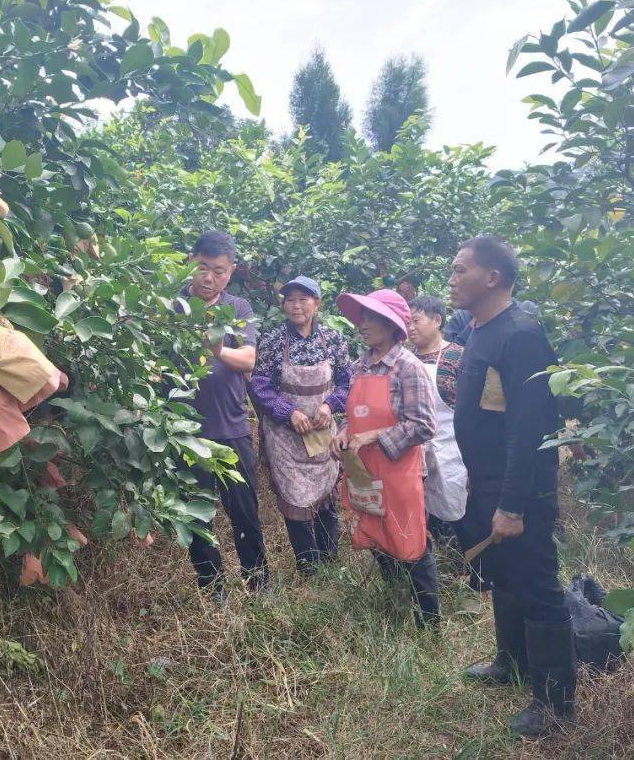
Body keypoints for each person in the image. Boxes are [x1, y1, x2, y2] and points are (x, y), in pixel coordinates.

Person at [449, 235, 574, 737]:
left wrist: (513, 505)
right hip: (487, 480)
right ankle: (511, 662)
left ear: (492, 278)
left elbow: (529, 428)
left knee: (538, 584)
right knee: (504, 573)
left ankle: (554, 703)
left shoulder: (520, 334)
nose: (452, 279)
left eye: (461, 271)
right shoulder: (481, 328)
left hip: (519, 487)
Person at [331, 289, 440, 629]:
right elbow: (355, 413)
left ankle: (428, 623)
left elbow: (424, 425)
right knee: (378, 535)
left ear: (392, 325)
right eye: (361, 317)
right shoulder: (358, 366)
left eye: (371, 318)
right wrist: (344, 430)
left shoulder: (408, 368)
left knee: (412, 543)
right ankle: (395, 603)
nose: (362, 324)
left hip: (400, 472)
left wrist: (375, 436)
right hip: (365, 470)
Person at [178, 230, 268, 595]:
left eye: (218, 270)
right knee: (198, 517)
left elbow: (248, 358)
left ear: (230, 272)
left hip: (231, 427)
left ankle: (257, 583)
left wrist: (216, 350)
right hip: (183, 431)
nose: (209, 277)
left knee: (244, 511)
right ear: (190, 262)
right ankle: (212, 589)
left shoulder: (238, 309)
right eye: (203, 267)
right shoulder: (171, 307)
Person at [250, 276, 351, 576]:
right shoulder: (271, 341)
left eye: (303, 299)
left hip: (321, 433)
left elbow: (347, 382)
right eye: (290, 299)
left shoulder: (333, 339)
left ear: (316, 304)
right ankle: (309, 567)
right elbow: (259, 385)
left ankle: (330, 560)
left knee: (326, 494)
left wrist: (328, 405)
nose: (296, 305)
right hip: (285, 436)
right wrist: (288, 412)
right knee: (294, 499)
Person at [406, 296, 468, 537]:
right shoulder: (405, 360)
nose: (410, 328)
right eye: (407, 323)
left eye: (416, 321)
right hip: (415, 451)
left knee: (457, 513)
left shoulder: (458, 357)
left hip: (452, 451)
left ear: (437, 320)